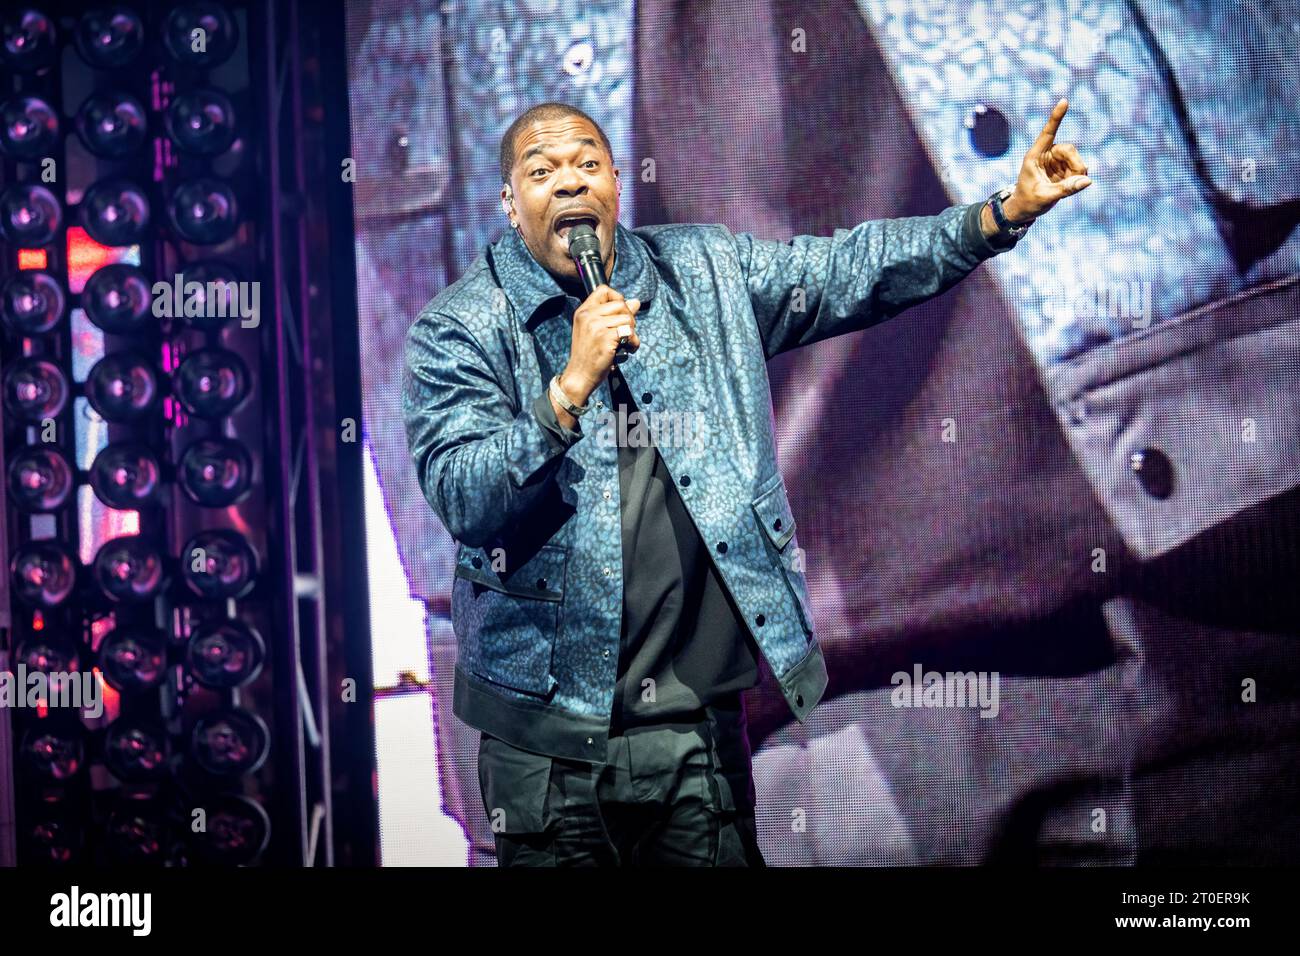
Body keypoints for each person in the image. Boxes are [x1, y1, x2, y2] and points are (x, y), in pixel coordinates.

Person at [401, 99, 1090, 865]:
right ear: (508, 202)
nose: (570, 186)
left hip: (694, 722)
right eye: (543, 172)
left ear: (617, 184)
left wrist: (1001, 215)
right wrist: (567, 389)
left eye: (587, 165)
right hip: (549, 738)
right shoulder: (458, 329)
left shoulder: (703, 274)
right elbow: (463, 493)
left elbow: (847, 270)